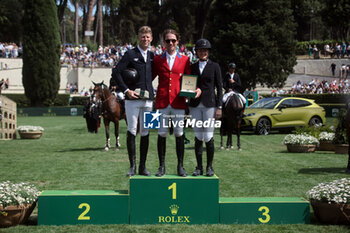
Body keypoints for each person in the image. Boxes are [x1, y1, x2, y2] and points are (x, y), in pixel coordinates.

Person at [112, 26, 154, 177]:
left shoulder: (152, 55)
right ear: (138, 37)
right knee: (132, 130)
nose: (145, 39)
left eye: (148, 37)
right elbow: (116, 72)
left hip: (149, 101)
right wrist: (126, 90)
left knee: (146, 132)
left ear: (151, 38)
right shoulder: (130, 54)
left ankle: (143, 167)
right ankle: (132, 166)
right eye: (143, 36)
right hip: (132, 100)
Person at [152, 29, 191, 177]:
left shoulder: (185, 60)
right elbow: (149, 77)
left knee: (179, 134)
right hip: (162, 101)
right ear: (163, 42)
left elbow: (189, 79)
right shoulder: (157, 60)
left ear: (177, 42)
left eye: (173, 40)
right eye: (167, 40)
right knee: (161, 134)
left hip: (178, 101)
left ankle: (180, 166)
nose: (170, 43)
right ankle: (161, 166)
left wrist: (193, 91)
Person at [188, 38, 223, 176]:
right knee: (198, 135)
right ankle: (199, 167)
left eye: (205, 50)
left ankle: (209, 167)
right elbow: (188, 85)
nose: (203, 52)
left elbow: (219, 87)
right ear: (197, 52)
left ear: (208, 52)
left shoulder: (215, 66)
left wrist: (219, 106)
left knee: (208, 136)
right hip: (195, 105)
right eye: (200, 50)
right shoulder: (192, 67)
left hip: (210, 105)